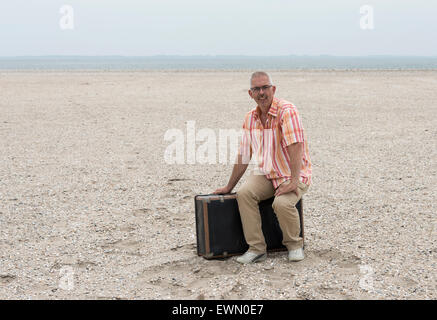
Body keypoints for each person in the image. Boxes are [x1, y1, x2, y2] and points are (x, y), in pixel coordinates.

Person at [213, 71, 312, 264]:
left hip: (294, 173)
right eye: (256, 89)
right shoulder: (250, 118)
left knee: (281, 204)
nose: (261, 93)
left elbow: (296, 146)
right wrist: (228, 187)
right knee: (244, 194)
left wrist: (293, 181)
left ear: (273, 89)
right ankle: (257, 248)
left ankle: (294, 245)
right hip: (268, 173)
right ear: (251, 94)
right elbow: (244, 154)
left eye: (265, 87)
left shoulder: (287, 110)